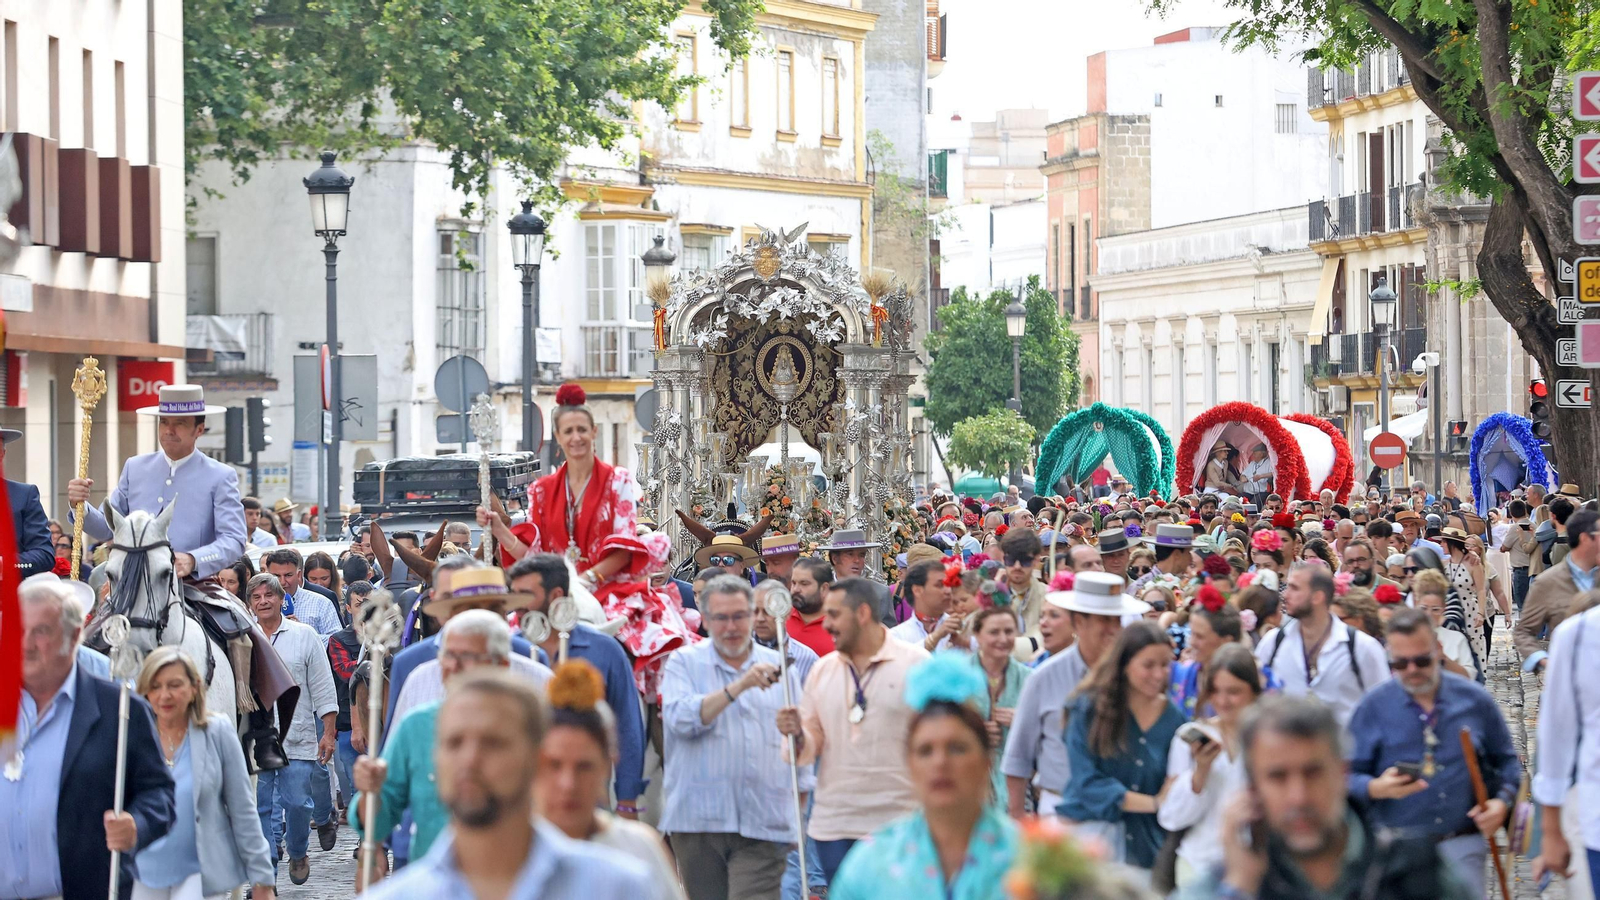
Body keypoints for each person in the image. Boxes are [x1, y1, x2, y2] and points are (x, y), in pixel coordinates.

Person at [357, 670, 658, 900]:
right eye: (454, 743)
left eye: (493, 743)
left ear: (537, 759)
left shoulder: (618, 889)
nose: (470, 760)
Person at [1181, 695, 1477, 900]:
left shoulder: (1416, 871)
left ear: (1341, 773)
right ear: (1253, 788)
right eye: (1277, 777)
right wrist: (1239, 887)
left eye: (1313, 773)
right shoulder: (1227, 882)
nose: (1298, 798)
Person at [0, 578, 175, 900]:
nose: (24, 643)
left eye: (41, 631)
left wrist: (136, 823)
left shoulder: (120, 709)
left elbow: (159, 793)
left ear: (74, 635)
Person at [1346, 608, 1522, 899]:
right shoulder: (1372, 707)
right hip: (1394, 852)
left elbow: (1507, 762)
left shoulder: (1473, 700)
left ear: (1438, 650)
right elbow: (1342, 778)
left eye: (1422, 660)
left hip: (1462, 843)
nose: (1412, 670)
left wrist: (1501, 803)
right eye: (1400, 663)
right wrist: (1374, 788)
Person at [527, 383, 693, 693]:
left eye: (581, 429)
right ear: (559, 439)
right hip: (555, 592)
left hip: (609, 586)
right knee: (514, 639)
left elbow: (625, 545)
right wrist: (500, 531)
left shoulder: (619, 481)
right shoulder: (540, 490)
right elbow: (534, 552)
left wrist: (587, 580)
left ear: (594, 433)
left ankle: (654, 723)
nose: (576, 437)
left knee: (658, 647)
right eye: (568, 431)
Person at [661, 575, 810, 900]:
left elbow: (802, 752)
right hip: (698, 822)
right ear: (706, 619)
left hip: (763, 822)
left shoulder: (779, 667)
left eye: (740, 616)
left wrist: (797, 733)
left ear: (753, 615)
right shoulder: (683, 663)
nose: (732, 627)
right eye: (722, 618)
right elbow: (680, 720)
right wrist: (739, 686)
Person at [828, 654, 1019, 900]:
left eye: (957, 748)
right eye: (925, 751)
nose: (940, 763)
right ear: (909, 764)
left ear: (986, 761)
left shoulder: (1031, 860)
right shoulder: (871, 864)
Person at [776, 576, 930, 880]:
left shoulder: (917, 664)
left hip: (899, 823)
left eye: (834, 615)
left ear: (862, 614)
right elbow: (807, 749)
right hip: (835, 825)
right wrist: (795, 733)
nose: (826, 625)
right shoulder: (823, 670)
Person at [352, 608, 529, 863]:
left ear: (500, 664)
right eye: (447, 655)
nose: (453, 666)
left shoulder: (530, 723)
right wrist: (371, 793)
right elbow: (382, 812)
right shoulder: (416, 725)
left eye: (468, 656)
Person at [132, 647, 277, 900]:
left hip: (201, 875)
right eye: (155, 686)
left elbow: (242, 810)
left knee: (242, 633)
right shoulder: (130, 737)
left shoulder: (218, 732)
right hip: (143, 873)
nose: (164, 695)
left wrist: (262, 879)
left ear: (194, 687)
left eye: (175, 685)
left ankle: (262, 724)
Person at [506, 553, 645, 813]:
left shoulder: (604, 649)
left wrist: (627, 801)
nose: (517, 604)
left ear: (556, 594)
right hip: (523, 803)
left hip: (589, 799)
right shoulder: (509, 649)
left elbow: (627, 726)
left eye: (525, 594)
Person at [541, 661, 685, 899]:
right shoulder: (507, 848)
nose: (568, 783)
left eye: (584, 767)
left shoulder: (639, 849)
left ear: (608, 763)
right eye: (554, 765)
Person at [68, 384, 245, 579]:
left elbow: (234, 540)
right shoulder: (135, 467)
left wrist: (193, 559)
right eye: (164, 422)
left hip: (193, 584)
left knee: (224, 611)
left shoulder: (220, 475)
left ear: (199, 429)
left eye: (180, 423)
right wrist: (80, 506)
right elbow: (106, 529)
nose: (169, 430)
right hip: (133, 583)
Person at [1002, 572, 1141, 817]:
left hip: (1122, 816)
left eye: (1115, 621)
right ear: (1079, 623)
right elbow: (1018, 757)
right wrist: (1017, 820)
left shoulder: (1133, 676)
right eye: (1103, 620)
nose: (1112, 630)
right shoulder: (1043, 678)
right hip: (1059, 810)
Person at [1060, 620, 1185, 875]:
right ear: (1125, 665)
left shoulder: (1175, 720)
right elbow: (1086, 782)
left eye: (1165, 665)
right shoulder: (1088, 709)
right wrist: (1152, 802)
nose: (1159, 674)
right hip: (1090, 845)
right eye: (1148, 665)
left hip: (1145, 854)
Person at [247, 572, 340, 885]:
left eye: (268, 596)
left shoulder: (304, 635)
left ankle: (298, 850)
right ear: (250, 603)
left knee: (298, 803)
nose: (263, 602)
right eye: (256, 597)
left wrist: (328, 732)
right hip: (255, 739)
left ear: (280, 599)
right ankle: (266, 876)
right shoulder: (242, 638)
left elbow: (323, 686)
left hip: (297, 735)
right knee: (260, 808)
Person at [1158, 644, 1263, 888]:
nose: (1223, 701)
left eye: (1233, 691)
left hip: (1253, 866)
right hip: (1198, 864)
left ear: (1253, 691)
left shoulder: (1268, 739)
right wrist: (1200, 773)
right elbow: (1171, 817)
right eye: (1215, 691)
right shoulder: (1190, 738)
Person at [391, 567, 554, 723]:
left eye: (494, 609)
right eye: (471, 609)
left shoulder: (539, 677)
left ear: (505, 614)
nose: (483, 617)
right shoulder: (419, 680)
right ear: (451, 615)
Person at [1254, 562, 1389, 726]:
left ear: (1317, 597)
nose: (1285, 595)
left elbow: (1385, 708)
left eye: (1295, 588)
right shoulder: (1273, 642)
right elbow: (1256, 700)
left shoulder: (1361, 647)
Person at [1516, 507, 1600, 672]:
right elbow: (1523, 631)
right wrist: (1542, 660)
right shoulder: (1547, 583)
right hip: (1570, 676)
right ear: (1585, 539)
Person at [970, 606, 1031, 801]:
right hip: (968, 784)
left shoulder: (1030, 679)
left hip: (1016, 787)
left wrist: (1022, 723)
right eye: (994, 632)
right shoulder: (957, 678)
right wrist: (973, 733)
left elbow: (1048, 734)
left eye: (1009, 631)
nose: (1003, 639)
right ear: (977, 635)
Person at [1170, 594, 1243, 718]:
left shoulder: (1251, 682)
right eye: (1192, 633)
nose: (1192, 642)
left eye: (1200, 636)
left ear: (1226, 641)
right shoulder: (1179, 673)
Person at [0, 427, 57, 577]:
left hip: (10, 594)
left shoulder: (23, 495)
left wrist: (4, 563)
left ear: (2, 454)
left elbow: (44, 555)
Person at [816, 528, 893, 622]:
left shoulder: (880, 593)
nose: (857, 560)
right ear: (835, 559)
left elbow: (889, 633)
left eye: (861, 555)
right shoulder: (819, 592)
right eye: (850, 554)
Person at [262, 547, 342, 637]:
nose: (282, 582)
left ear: (299, 575)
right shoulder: (259, 605)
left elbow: (336, 641)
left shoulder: (321, 603)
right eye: (276, 576)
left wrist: (305, 634)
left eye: (288, 575)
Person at [1410, 570, 1476, 678]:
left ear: (1444, 608)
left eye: (1435, 609)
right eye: (1423, 608)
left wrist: (1444, 659)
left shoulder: (1456, 638)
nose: (1428, 614)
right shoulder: (1405, 636)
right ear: (1416, 604)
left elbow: (1469, 676)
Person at [998, 527, 1048, 658]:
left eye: (1025, 560)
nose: (1017, 566)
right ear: (1003, 559)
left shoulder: (1048, 597)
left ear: (1036, 561)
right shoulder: (989, 595)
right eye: (1011, 560)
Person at [889, 560, 959, 652]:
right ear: (917, 590)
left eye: (949, 585)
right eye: (939, 585)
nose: (948, 591)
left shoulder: (960, 629)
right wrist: (935, 637)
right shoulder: (897, 635)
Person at [1129, 525, 1194, 596]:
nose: (1191, 558)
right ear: (1177, 554)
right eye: (1188, 552)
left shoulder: (1186, 584)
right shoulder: (1140, 587)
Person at [1500, 499, 1535, 611]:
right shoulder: (1534, 525)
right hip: (1533, 568)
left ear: (1511, 513)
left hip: (1521, 569)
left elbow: (1504, 547)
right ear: (1525, 510)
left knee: (1523, 606)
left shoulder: (1515, 528)